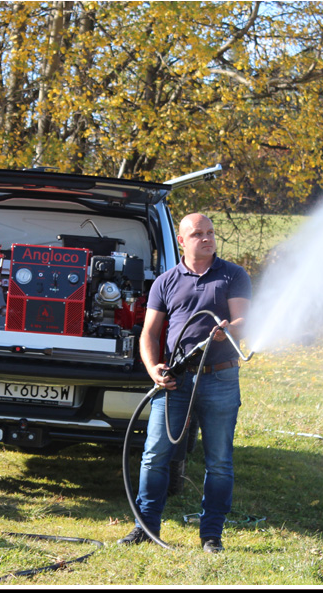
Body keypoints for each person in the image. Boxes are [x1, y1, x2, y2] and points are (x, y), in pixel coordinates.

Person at [119, 213, 251, 553]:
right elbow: (148, 333)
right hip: (174, 381)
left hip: (220, 376)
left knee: (219, 459)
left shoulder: (233, 275)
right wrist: (153, 369)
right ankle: (146, 528)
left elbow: (242, 320)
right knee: (154, 455)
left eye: (210, 232)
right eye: (197, 234)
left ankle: (211, 536)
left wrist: (229, 329)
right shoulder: (165, 281)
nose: (207, 238)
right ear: (182, 241)